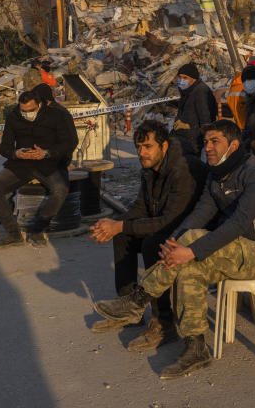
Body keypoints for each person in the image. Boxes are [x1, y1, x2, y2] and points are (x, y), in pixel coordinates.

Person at [92, 120, 255, 380]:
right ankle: (195, 347)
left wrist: (191, 249)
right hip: (233, 250)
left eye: (215, 141)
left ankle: (138, 299)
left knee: (192, 244)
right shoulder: (216, 174)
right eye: (206, 142)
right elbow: (200, 213)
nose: (208, 147)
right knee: (186, 263)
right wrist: (173, 243)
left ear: (234, 145)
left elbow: (238, 225)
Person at [87, 120, 206, 351]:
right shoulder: (150, 167)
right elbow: (141, 208)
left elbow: (169, 221)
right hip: (168, 227)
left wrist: (120, 226)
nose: (141, 153)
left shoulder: (182, 170)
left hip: (191, 234)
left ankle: (163, 322)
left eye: (147, 147)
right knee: (124, 236)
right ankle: (128, 310)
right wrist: (114, 225)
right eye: (138, 147)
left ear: (164, 146)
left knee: (153, 244)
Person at [0, 90, 79, 248]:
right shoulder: (13, 117)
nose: (26, 114)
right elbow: (4, 148)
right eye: (23, 111)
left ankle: (37, 230)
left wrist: (47, 153)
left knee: (61, 189)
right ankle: (13, 234)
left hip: (49, 163)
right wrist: (16, 153)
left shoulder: (56, 115)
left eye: (30, 111)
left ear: (39, 105)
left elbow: (69, 143)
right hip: (22, 164)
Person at [172, 62, 217, 157]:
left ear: (193, 79)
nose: (181, 80)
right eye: (180, 77)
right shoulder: (187, 90)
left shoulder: (200, 91)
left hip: (192, 140)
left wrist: (189, 127)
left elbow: (206, 120)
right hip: (182, 136)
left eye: (185, 78)